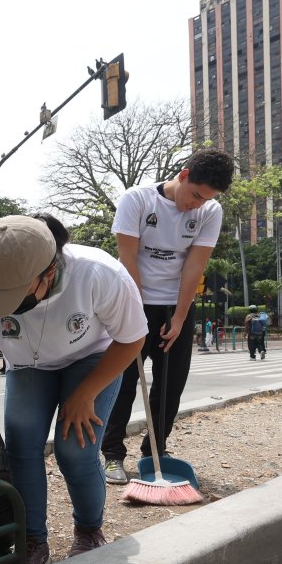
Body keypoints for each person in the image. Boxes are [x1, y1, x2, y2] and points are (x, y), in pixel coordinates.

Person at [0, 215, 146, 564]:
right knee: (21, 446)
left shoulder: (98, 273)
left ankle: (88, 530)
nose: (4, 305)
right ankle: (33, 538)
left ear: (48, 272)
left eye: (15, 295)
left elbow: (131, 338)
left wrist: (86, 393)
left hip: (91, 358)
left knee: (75, 448)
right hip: (27, 364)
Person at [100, 147, 234, 485]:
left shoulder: (209, 211)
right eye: (195, 195)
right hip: (132, 300)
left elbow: (194, 267)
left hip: (175, 306)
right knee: (124, 382)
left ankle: (156, 450)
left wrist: (179, 318)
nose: (197, 204)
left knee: (170, 384)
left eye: (206, 199)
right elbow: (128, 259)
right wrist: (137, 313)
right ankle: (112, 454)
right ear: (184, 175)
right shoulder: (137, 200)